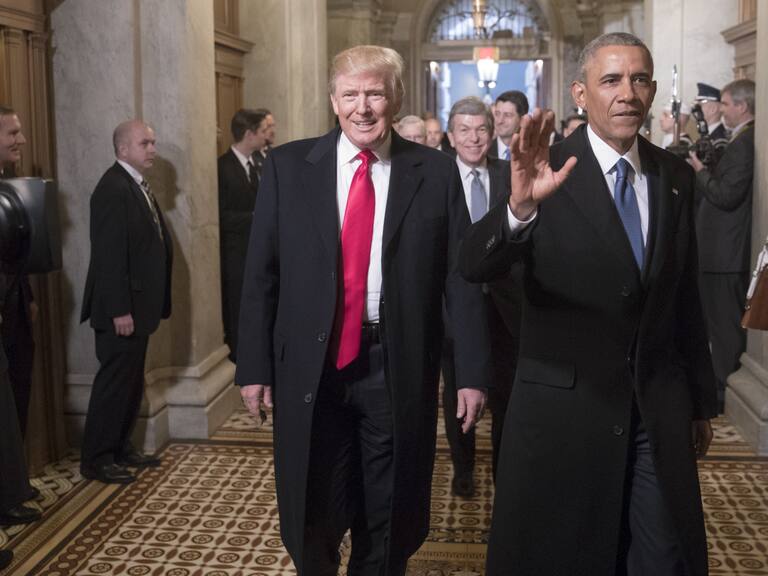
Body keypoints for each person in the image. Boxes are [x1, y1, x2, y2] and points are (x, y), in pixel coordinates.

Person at [460, 32, 716, 575]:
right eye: (611, 80)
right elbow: (472, 265)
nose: (629, 93)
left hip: (655, 408)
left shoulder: (672, 176)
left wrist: (698, 400)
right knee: (571, 555)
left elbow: (683, 294)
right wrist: (518, 209)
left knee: (663, 556)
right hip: (565, 414)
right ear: (581, 93)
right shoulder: (542, 167)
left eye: (640, 79)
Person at [236, 45, 490, 575]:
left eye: (374, 93)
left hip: (393, 365)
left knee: (389, 511)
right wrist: (254, 366)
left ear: (394, 98)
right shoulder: (287, 167)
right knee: (314, 510)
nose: (363, 107)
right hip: (312, 367)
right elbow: (261, 275)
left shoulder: (436, 173)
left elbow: (460, 280)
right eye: (350, 94)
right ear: (333, 100)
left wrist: (471, 372)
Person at [80, 120, 173, 484]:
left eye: (153, 141)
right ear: (122, 149)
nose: (152, 148)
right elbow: (109, 256)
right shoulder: (112, 188)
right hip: (121, 310)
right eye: (145, 142)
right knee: (114, 384)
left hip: (138, 308)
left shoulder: (134, 184)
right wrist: (120, 309)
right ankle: (97, 457)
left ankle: (120, 446)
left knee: (131, 382)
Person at [442, 96, 521, 497]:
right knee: (458, 390)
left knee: (507, 392)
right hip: (455, 309)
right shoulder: (436, 179)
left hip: (505, 305)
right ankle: (463, 467)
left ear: (492, 134)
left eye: (481, 130)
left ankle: (502, 468)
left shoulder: (511, 175)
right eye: (464, 130)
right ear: (450, 136)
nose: (474, 138)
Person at [689, 79, 755, 413]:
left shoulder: (745, 143)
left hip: (725, 254)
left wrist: (700, 171)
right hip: (720, 252)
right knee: (718, 324)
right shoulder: (741, 139)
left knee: (724, 327)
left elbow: (727, 196)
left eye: (726, 104)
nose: (723, 109)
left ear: (742, 106)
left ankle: (723, 392)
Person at [218, 109, 268, 362]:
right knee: (237, 308)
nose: (266, 137)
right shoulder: (222, 167)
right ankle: (240, 359)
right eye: (262, 132)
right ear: (249, 134)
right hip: (235, 255)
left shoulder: (259, 163)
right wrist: (254, 216)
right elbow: (219, 216)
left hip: (257, 251)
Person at [0, 106, 37, 439]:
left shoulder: (6, 182)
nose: (21, 140)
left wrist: (29, 297)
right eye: (12, 133)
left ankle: (14, 483)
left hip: (15, 308)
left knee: (18, 388)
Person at [489, 90, 528, 160]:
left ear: (522, 120)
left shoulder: (533, 152)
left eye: (507, 115)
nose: (500, 121)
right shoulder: (484, 152)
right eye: (497, 114)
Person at [251, 108, 275, 178]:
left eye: (273, 126)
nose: (273, 131)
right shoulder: (250, 155)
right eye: (268, 126)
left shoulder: (274, 153)